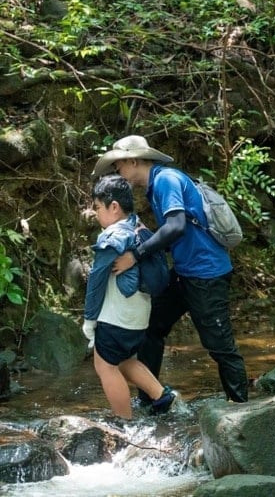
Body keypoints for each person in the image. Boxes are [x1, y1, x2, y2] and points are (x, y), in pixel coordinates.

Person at [93, 135, 249, 403]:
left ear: (133, 160)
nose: (118, 172)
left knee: (220, 346)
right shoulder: (158, 184)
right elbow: (174, 233)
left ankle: (242, 411)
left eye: (119, 165)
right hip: (186, 273)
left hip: (206, 275)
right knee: (152, 329)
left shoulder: (166, 180)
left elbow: (176, 226)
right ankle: (151, 403)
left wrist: (137, 254)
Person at [84, 175, 177, 418]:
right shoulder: (140, 227)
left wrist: (89, 319)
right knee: (124, 360)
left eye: (97, 207)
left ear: (113, 206)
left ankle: (124, 423)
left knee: (104, 366)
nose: (95, 214)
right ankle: (162, 396)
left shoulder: (112, 235)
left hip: (116, 317)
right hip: (139, 317)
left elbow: (96, 280)